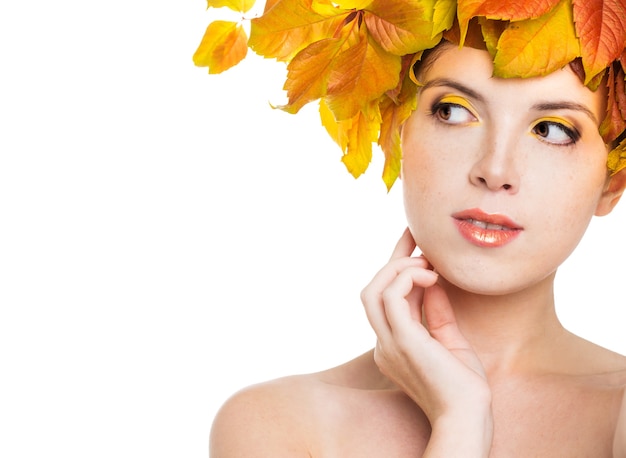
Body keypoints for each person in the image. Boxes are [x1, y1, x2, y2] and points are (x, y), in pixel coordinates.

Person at [197, 0, 626, 455]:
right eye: (454, 111)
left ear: (611, 184)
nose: (495, 168)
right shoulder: (277, 424)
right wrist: (459, 422)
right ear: (396, 135)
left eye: (553, 130)